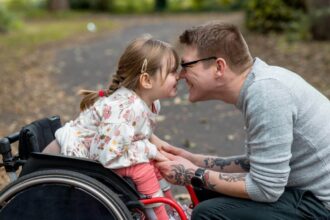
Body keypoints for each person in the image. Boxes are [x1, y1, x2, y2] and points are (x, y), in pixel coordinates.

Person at [156, 21, 330, 219]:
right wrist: (193, 160)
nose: (180, 75)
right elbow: (257, 164)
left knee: (208, 213)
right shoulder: (260, 85)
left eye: (186, 65)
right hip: (305, 195)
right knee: (205, 190)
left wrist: (194, 173)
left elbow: (266, 189)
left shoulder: (266, 95)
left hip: (322, 206)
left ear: (219, 67)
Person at [43, 34, 180, 220]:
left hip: (100, 150)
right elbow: (108, 156)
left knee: (154, 163)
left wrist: (156, 144)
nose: (178, 76)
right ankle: (159, 215)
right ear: (147, 81)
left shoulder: (149, 102)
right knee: (143, 168)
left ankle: (170, 210)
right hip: (69, 157)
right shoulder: (125, 109)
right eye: (172, 72)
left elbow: (136, 132)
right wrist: (149, 149)